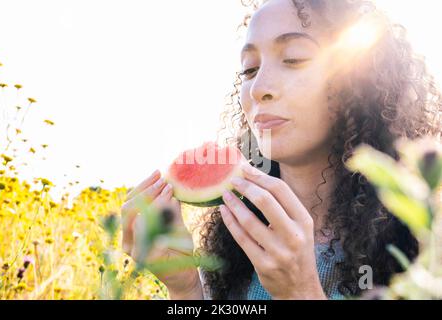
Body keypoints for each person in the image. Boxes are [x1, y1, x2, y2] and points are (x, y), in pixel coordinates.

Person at [121, 0, 442, 300]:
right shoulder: (230, 245)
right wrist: (187, 288)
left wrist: (301, 291)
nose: (258, 88)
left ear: (356, 78)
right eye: (249, 69)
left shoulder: (426, 243)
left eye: (294, 59)